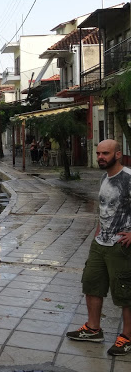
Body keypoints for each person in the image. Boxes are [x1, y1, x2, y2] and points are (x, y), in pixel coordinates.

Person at [66, 139, 131, 356]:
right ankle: (94, 329)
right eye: (98, 153)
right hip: (100, 243)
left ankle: (128, 337)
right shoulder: (104, 177)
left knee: (125, 292)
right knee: (91, 283)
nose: (101, 157)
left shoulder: (128, 179)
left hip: (121, 246)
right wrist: (96, 235)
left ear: (118, 154)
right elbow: (103, 210)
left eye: (106, 153)